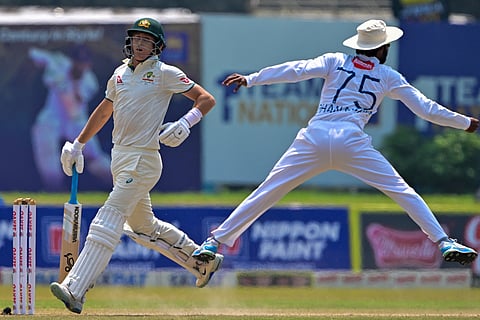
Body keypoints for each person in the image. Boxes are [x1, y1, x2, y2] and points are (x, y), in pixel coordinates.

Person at [193, 19, 479, 267]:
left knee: (267, 191)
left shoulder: (334, 60)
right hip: (351, 141)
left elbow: (296, 70)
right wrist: (467, 123)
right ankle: (442, 242)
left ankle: (214, 242)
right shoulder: (388, 75)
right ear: (383, 50)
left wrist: (252, 79)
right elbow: (426, 109)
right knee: (402, 191)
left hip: (314, 138)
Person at [49, 17, 223, 314]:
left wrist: (185, 122)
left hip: (144, 159)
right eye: (136, 38)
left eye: (147, 40)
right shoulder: (118, 75)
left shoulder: (165, 73)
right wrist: (78, 144)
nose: (140, 44)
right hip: (121, 158)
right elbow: (104, 112)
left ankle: (75, 289)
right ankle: (199, 260)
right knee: (142, 228)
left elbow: (205, 99)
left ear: (157, 46)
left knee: (109, 216)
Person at [29, 45, 111, 191]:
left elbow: (72, 107)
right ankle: (53, 188)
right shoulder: (59, 65)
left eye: (83, 62)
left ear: (88, 64)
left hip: (76, 120)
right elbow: (34, 53)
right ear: (71, 61)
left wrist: (69, 83)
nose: (80, 66)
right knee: (45, 146)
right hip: (52, 117)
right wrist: (39, 62)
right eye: (77, 61)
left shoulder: (89, 82)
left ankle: (117, 184)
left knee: (94, 157)